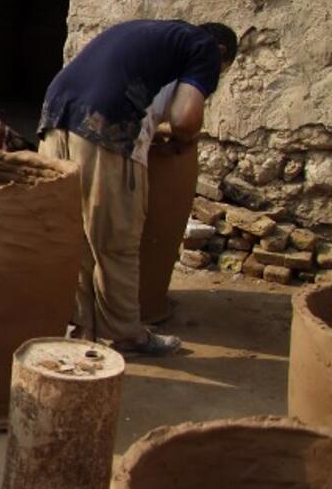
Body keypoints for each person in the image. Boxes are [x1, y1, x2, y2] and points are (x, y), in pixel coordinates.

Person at [38, 19, 238, 356]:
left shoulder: (156, 36)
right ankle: (125, 334)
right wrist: (183, 143)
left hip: (54, 115)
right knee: (116, 237)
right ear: (221, 54)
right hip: (103, 124)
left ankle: (81, 326)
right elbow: (184, 118)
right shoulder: (203, 48)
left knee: (75, 232)